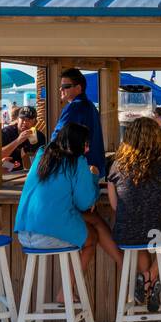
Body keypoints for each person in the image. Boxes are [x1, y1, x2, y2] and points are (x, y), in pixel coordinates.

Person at [14, 122, 121, 285]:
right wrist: (93, 175)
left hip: (24, 231)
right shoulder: (77, 161)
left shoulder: (42, 154)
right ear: (77, 143)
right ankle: (66, 291)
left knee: (94, 219)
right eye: (86, 144)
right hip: (48, 233)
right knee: (91, 238)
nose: (87, 149)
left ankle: (122, 263)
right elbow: (85, 202)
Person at [107, 116, 161, 312]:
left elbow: (115, 206)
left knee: (139, 239)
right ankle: (152, 274)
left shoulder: (116, 166)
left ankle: (145, 280)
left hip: (126, 234)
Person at [54, 68, 106, 176]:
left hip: (79, 169)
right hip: (95, 167)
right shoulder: (91, 106)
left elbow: (56, 137)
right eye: (61, 86)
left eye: (65, 87)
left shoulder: (74, 107)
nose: (60, 89)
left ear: (78, 88)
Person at [1, 105, 47, 172]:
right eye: (22, 119)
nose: (25, 122)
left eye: (29, 120)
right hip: (7, 170)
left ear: (35, 122)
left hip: (28, 172)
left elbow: (44, 159)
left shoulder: (39, 136)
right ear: (17, 119)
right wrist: (18, 140)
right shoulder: (6, 132)